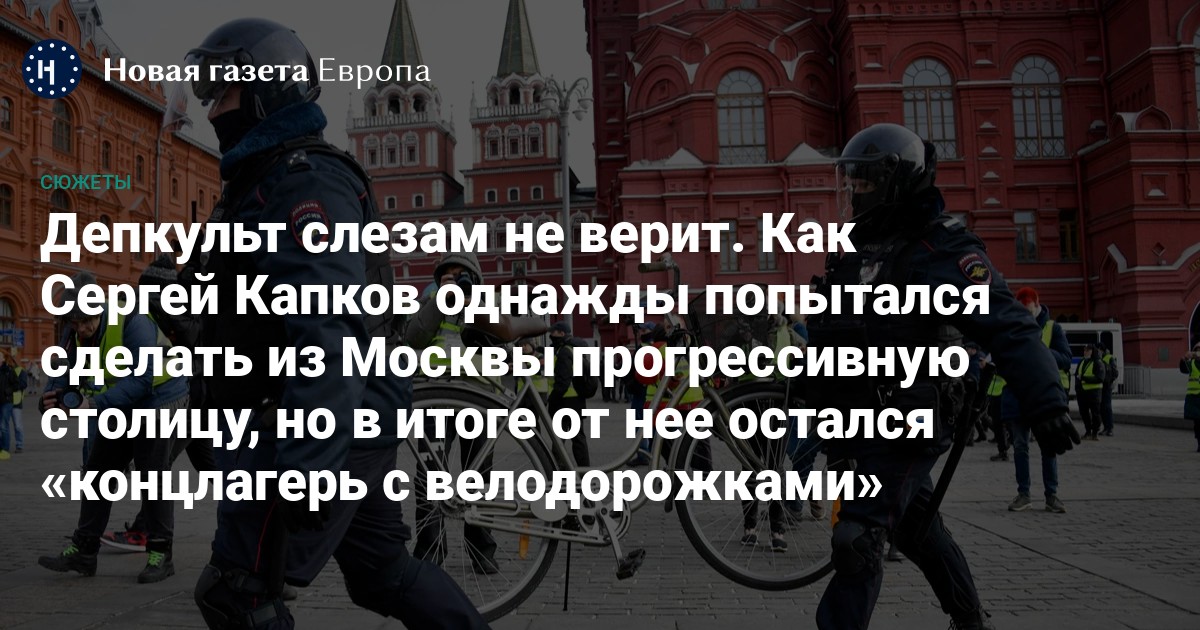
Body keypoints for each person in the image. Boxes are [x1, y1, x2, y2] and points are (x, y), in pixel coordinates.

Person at [183, 18, 488, 629]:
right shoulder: (264, 179)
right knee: (383, 574)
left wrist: (307, 466)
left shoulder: (303, 183)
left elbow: (330, 326)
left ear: (265, 88)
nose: (212, 109)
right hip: (348, 418)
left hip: (308, 423)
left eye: (222, 91)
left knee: (237, 593)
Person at [807, 123, 1078, 630]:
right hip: (858, 420)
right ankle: (972, 621)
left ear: (894, 183)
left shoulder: (941, 249)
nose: (854, 194)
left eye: (863, 183)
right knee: (915, 527)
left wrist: (1046, 401)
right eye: (851, 183)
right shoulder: (858, 254)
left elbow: (1008, 323)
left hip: (909, 417)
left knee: (857, 539)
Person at [37, 270, 189, 583]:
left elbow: (143, 379)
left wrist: (93, 404)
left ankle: (161, 554)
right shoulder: (74, 330)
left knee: (152, 475)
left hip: (161, 397)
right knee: (97, 473)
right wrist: (49, 398)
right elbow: (62, 370)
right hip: (123, 401)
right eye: (74, 322)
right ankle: (84, 551)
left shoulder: (132, 321)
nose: (81, 328)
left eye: (86, 321)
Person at [402, 251, 500, 575]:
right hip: (436, 397)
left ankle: (482, 550)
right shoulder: (429, 301)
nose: (458, 281)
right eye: (450, 275)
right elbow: (413, 337)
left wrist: (473, 306)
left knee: (479, 477)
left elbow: (500, 346)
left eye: (463, 275)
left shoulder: (486, 304)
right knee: (430, 476)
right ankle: (430, 549)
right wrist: (440, 300)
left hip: (477, 397)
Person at [1003, 287, 1072, 514]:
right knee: (1020, 447)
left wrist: (1040, 353)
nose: (1026, 315)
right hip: (1018, 397)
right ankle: (1024, 494)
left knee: (1047, 447)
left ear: (1037, 305)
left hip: (1043, 400)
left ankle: (1051, 495)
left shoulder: (1052, 328)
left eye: (1029, 310)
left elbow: (1066, 358)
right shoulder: (1013, 328)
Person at [549, 321, 590, 466]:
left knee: (559, 440)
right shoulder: (572, 349)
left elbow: (563, 381)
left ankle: (557, 470)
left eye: (553, 332)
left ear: (562, 333)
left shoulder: (564, 351)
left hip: (564, 401)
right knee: (577, 439)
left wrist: (552, 399)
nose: (551, 335)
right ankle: (583, 470)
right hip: (576, 400)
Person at [1073, 343, 1106, 440]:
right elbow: (1077, 375)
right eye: (1084, 350)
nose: (1085, 352)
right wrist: (1077, 387)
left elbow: (1100, 378)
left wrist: (1084, 378)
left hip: (1094, 393)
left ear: (1093, 351)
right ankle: (1088, 431)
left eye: (1087, 350)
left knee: (1095, 414)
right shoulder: (1082, 361)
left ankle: (1095, 432)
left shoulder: (1098, 362)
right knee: (1084, 413)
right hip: (1082, 392)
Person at [0, 350, 20, 456]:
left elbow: (17, 385)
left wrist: (7, 391)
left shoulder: (9, 370)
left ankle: (5, 449)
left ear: (3, 359)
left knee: (3, 425)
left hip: (6, 401)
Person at [1182, 343, 1200, 452]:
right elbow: (1183, 368)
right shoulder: (1191, 364)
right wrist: (1184, 358)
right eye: (1197, 350)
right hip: (1194, 399)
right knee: (1198, 423)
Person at [1099, 342, 1118, 436]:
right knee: (1102, 407)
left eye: (1098, 349)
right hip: (1100, 386)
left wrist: (1111, 381)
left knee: (1107, 407)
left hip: (1107, 386)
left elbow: (1115, 372)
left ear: (1101, 349)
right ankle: (1105, 427)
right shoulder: (1099, 358)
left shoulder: (1109, 358)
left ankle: (1109, 428)